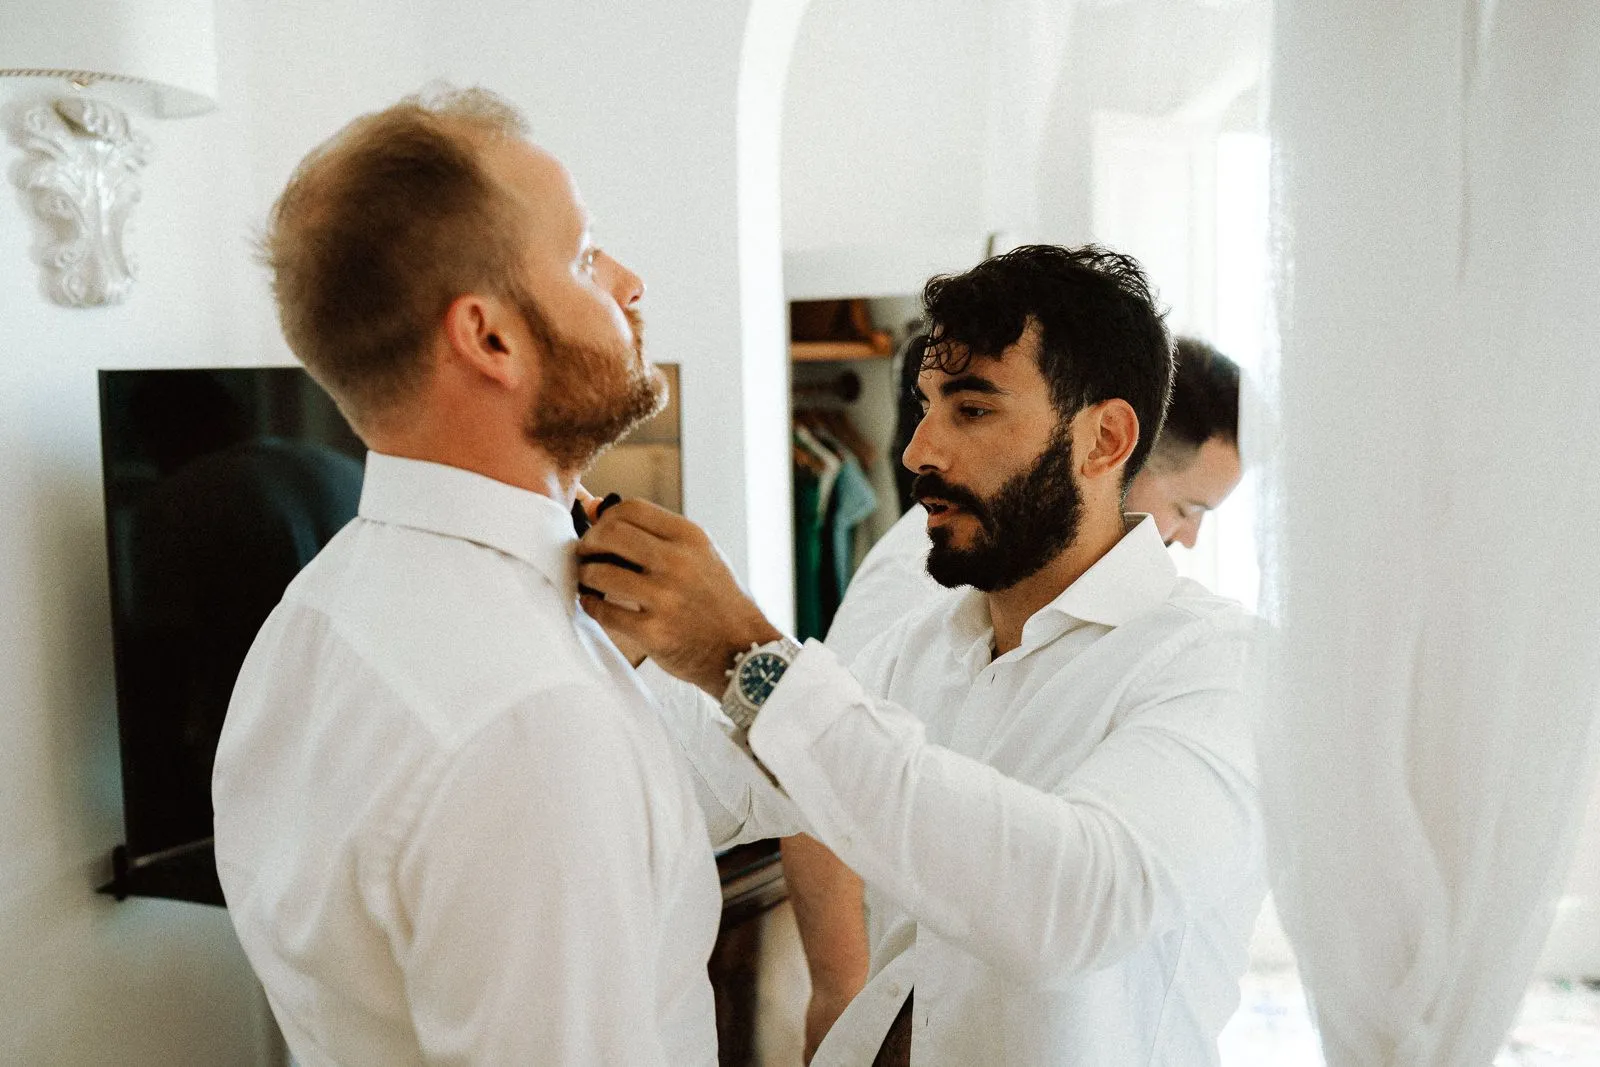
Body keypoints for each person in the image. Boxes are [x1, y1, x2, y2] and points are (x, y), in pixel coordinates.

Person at [578, 245, 1264, 1066]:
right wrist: (617, 649)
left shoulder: (1221, 665)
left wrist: (746, 652)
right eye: (926, 405)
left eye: (971, 410)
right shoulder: (929, 643)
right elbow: (730, 787)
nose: (917, 451)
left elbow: (1073, 903)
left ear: (1103, 439)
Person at [211, 86, 727, 1064]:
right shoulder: (530, 722)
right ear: (489, 337)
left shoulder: (310, 611)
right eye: (583, 255)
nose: (628, 280)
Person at [787, 335, 1244, 1056]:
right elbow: (812, 769)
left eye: (971, 410)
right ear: (1112, 449)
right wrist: (841, 991)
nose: (1185, 538)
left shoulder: (1207, 655)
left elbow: (1082, 894)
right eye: (1186, 506)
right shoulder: (929, 576)